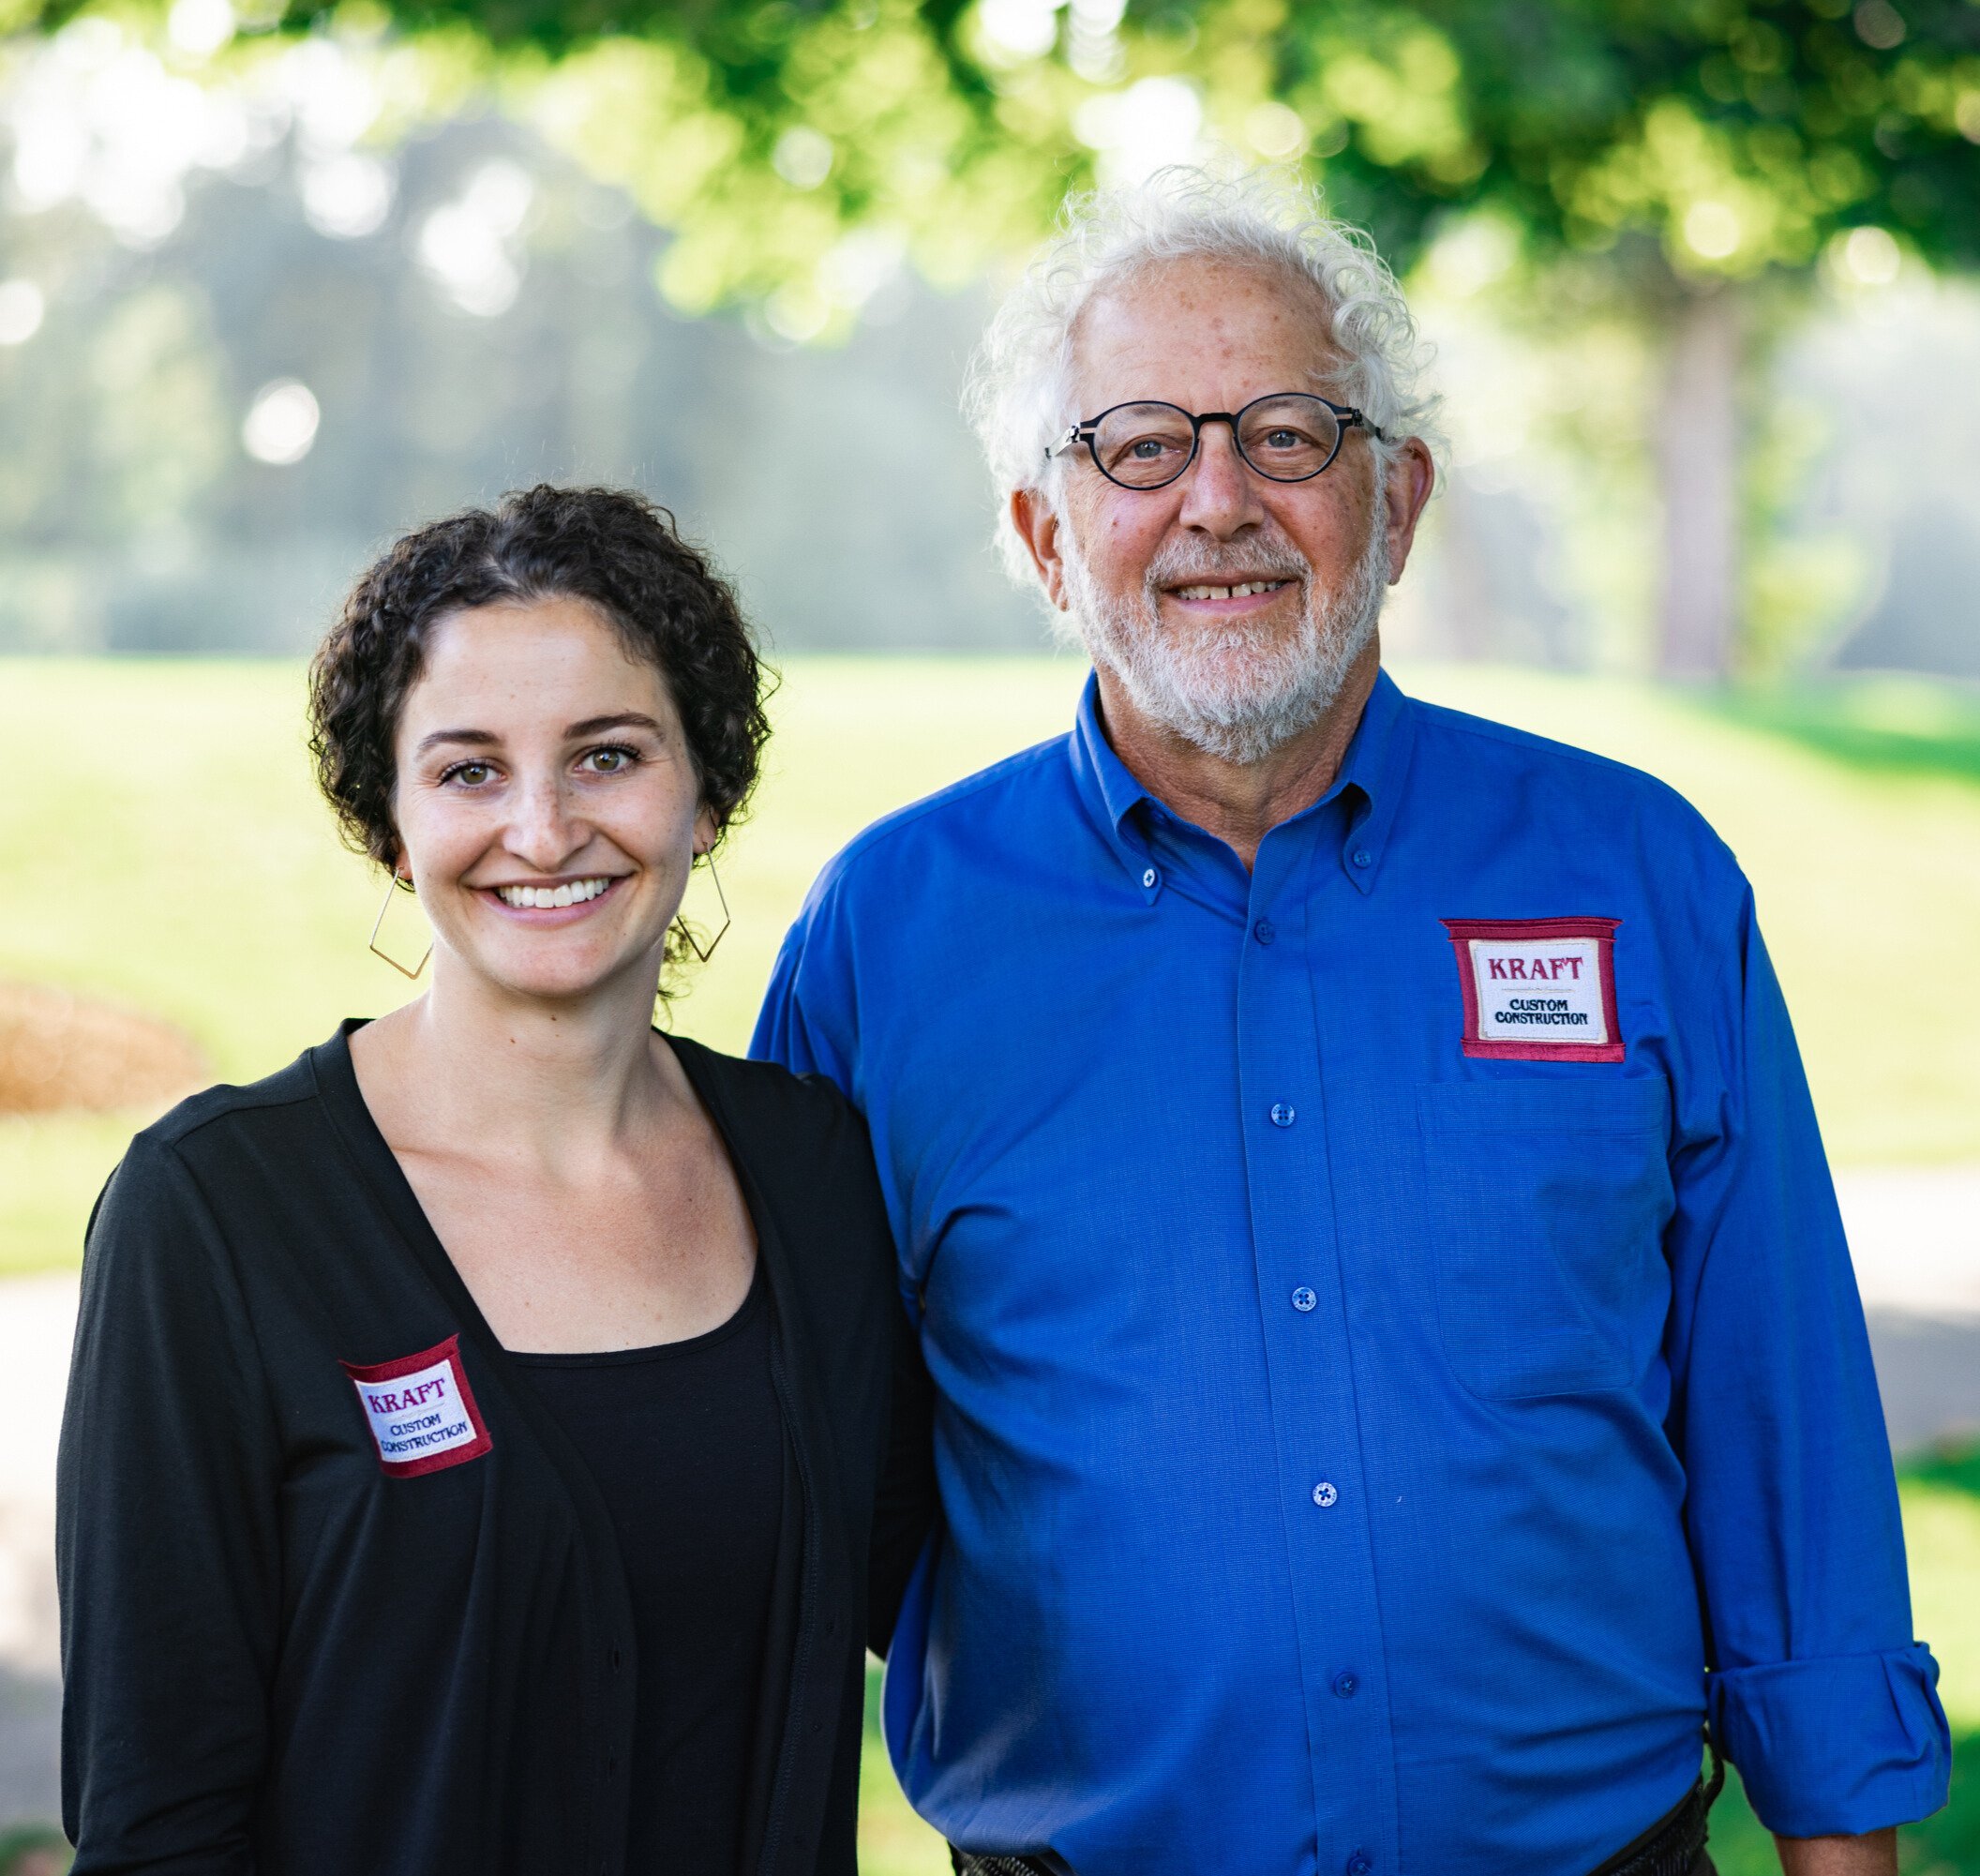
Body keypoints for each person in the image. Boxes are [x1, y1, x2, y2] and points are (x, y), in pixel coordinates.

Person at [753, 172, 1952, 1876]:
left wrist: (1841, 1834)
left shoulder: (1639, 876)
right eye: (1141, 445)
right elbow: (792, 1474)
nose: (1220, 500)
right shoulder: (886, 937)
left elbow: (1784, 1414)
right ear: (1043, 535)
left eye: (1292, 435)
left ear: (1399, 502)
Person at [57, 485, 933, 1876]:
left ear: (706, 793)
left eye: (608, 754)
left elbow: (956, 1580)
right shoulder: (218, 1215)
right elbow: (156, 1817)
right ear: (390, 826)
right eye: (469, 770)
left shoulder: (815, 1168)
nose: (542, 826)